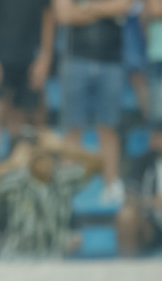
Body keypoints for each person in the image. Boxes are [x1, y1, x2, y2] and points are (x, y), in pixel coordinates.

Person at [0, 130, 102, 259]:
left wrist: (62, 147)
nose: (45, 161)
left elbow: (98, 163)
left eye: (48, 155)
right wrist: (11, 164)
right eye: (39, 156)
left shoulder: (62, 181)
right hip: (15, 258)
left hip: (53, 259)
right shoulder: (18, 182)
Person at [53, 0, 133, 204]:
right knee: (72, 126)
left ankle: (111, 183)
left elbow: (123, 6)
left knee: (108, 126)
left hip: (111, 59)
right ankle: (67, 187)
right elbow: (63, 14)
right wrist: (104, 10)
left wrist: (84, 7)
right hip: (75, 58)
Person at [0, 0, 55, 169]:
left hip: (29, 56)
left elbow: (48, 16)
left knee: (22, 117)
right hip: (0, 55)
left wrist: (45, 57)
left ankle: (18, 170)